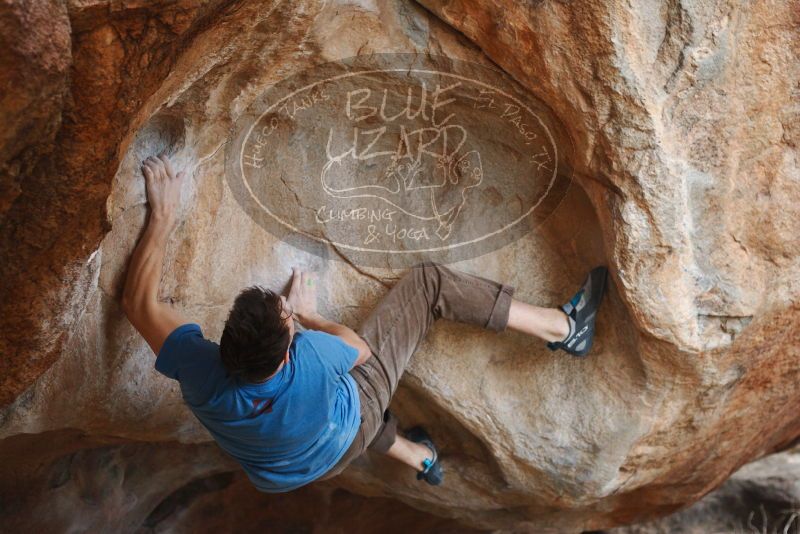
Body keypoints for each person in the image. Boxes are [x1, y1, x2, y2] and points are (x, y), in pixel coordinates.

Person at [122, 153, 608, 492]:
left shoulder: (203, 374)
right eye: (288, 321)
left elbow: (137, 305)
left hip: (305, 466)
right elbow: (359, 349)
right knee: (427, 284)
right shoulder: (313, 357)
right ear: (291, 345)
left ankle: (422, 459)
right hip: (341, 425)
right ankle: (563, 329)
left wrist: (161, 216)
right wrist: (309, 314)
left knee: (331, 420)